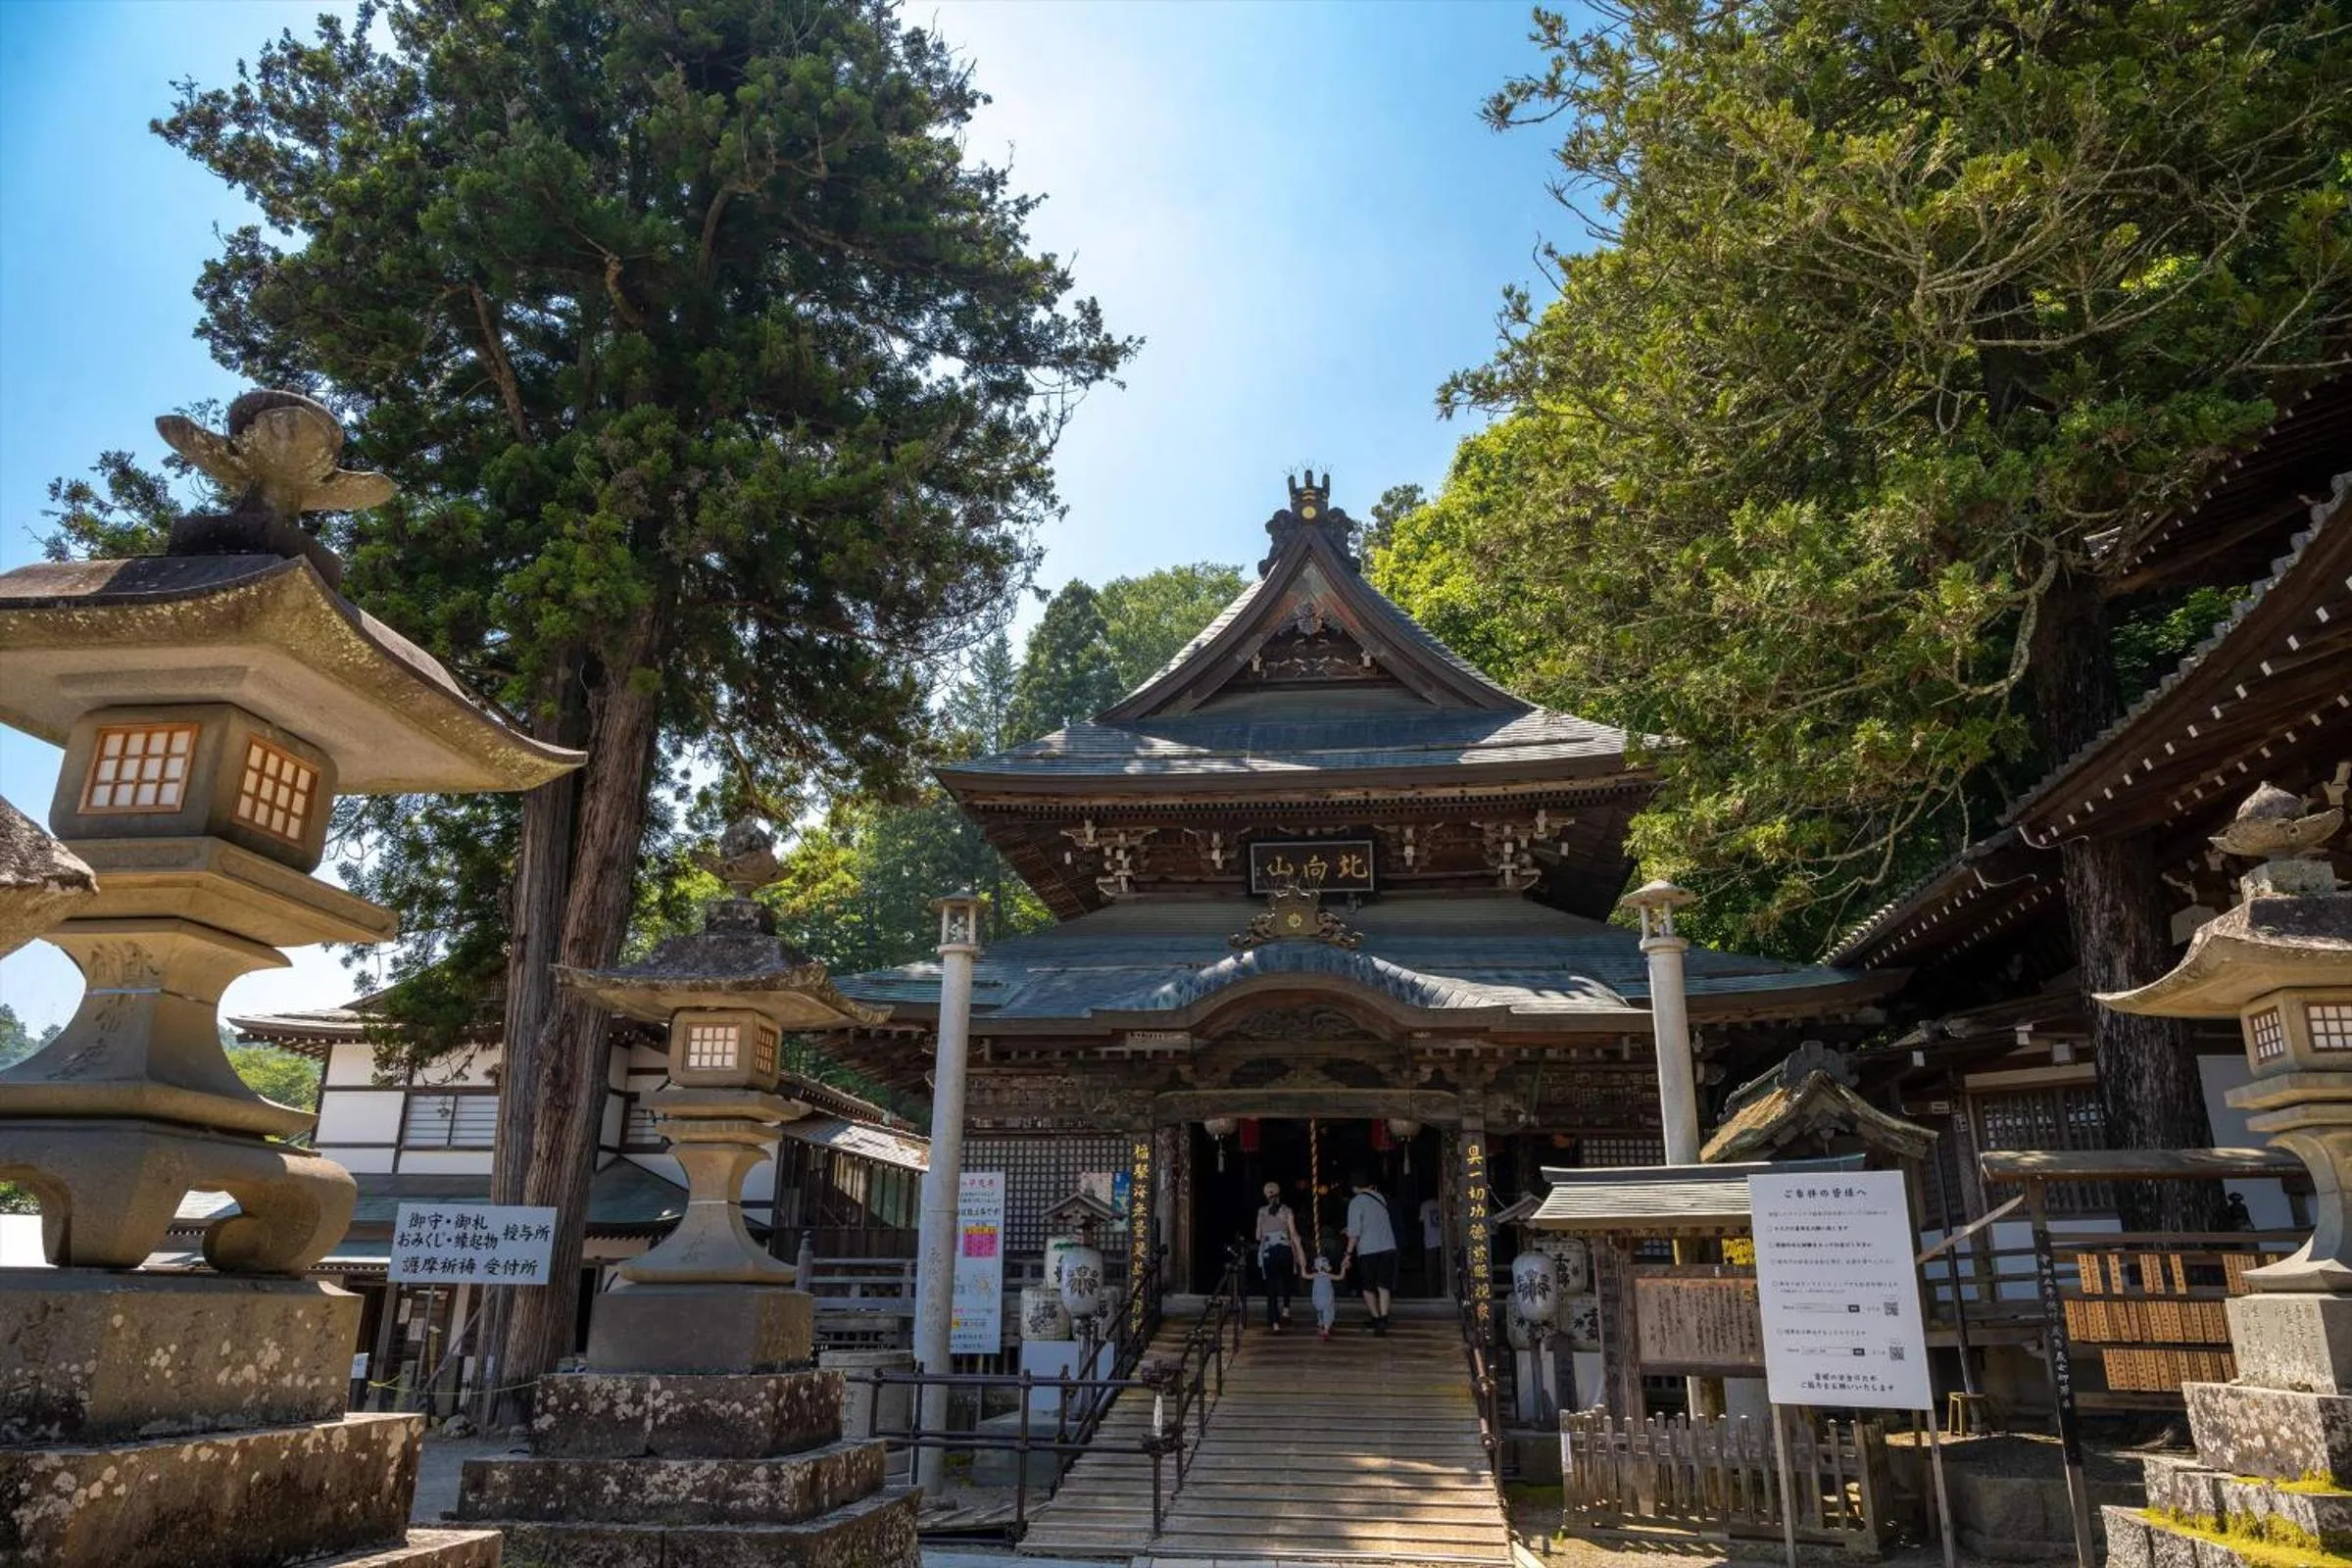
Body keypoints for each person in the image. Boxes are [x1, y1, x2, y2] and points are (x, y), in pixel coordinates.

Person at [1342, 1169, 1399, 1336]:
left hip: (1368, 1249)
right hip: (1388, 1246)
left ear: (1354, 1187)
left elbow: (1354, 1233)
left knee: (1368, 1287)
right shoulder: (1380, 1197)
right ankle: (1384, 1317)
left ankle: (1376, 1318)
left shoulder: (1356, 1202)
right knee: (1383, 1285)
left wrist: (1347, 1254)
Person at [1253, 1180, 1304, 1332]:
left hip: (1269, 1250)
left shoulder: (1262, 1212)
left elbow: (1258, 1236)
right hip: (1284, 1249)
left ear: (1265, 1196)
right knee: (1287, 1281)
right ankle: (1286, 1310)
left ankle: (1275, 1323)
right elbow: (1293, 1234)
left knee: (1272, 1287)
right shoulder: (1287, 1211)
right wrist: (1300, 1253)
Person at [1307, 1248, 1341, 1341]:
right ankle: (1323, 1327)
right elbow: (1340, 1277)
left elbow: (1340, 1277)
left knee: (1325, 1312)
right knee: (1323, 1313)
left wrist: (1343, 1268)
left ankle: (1325, 1329)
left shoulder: (1325, 1275)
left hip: (1324, 1299)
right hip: (1321, 1298)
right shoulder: (1320, 1275)